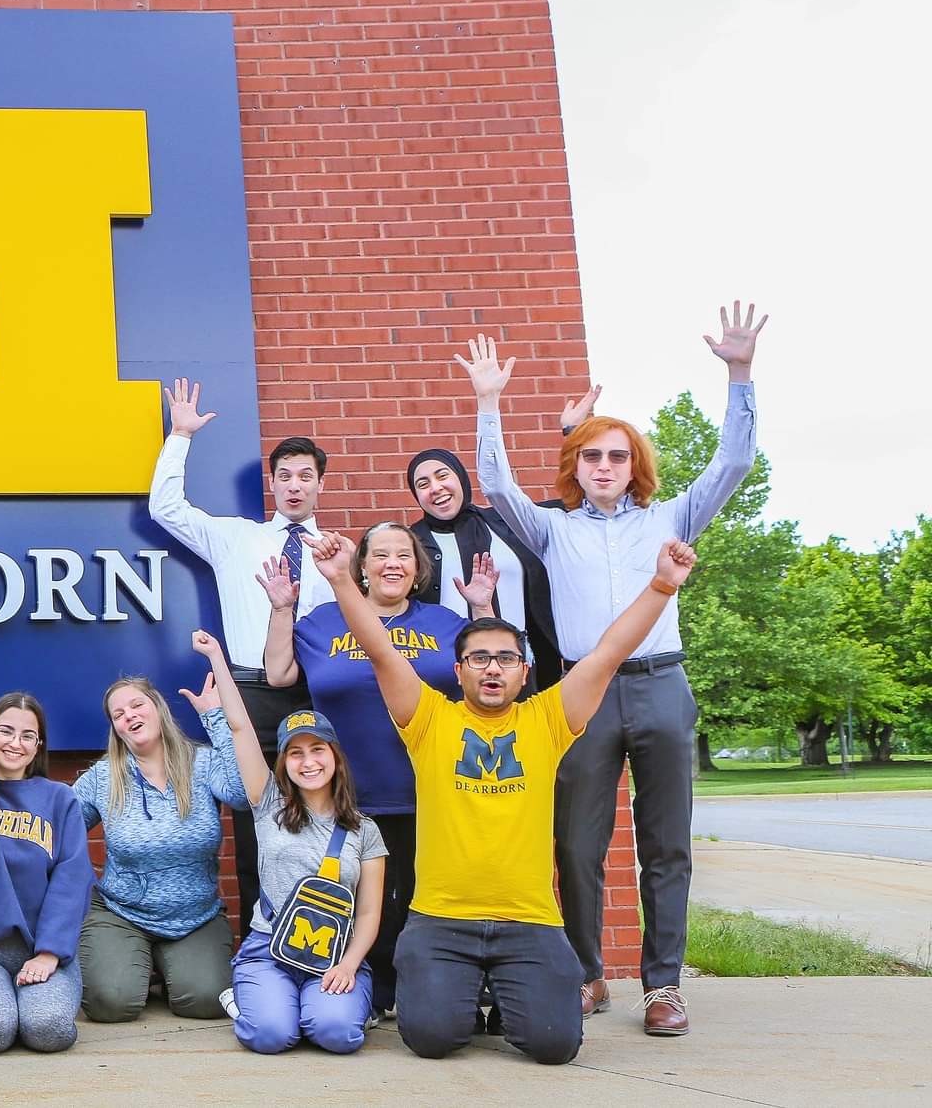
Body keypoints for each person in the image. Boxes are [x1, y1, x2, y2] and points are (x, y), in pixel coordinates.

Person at [460, 302, 764, 1035]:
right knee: (576, 842)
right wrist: (490, 402)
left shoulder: (671, 519)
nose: (604, 466)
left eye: (617, 456)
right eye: (592, 456)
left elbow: (734, 463)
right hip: (580, 692)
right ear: (576, 466)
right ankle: (589, 973)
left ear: (636, 467)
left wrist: (740, 374)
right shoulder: (551, 527)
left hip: (662, 684)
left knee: (666, 841)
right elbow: (497, 484)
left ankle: (663, 985)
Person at [308, 528, 696, 1064]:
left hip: (528, 921)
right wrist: (338, 580)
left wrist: (660, 586)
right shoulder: (428, 720)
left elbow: (609, 654)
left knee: (556, 1046)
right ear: (458, 670)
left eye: (506, 659)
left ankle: (505, 996)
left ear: (524, 670)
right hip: (442, 921)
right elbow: (378, 647)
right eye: (479, 658)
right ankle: (469, 995)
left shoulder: (549, 719)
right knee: (432, 1039)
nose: (493, 667)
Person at [260, 522, 493, 1017]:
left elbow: (488, 678)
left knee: (422, 896)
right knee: (363, 901)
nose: (392, 564)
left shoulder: (446, 624)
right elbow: (279, 674)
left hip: (426, 791)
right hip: (347, 800)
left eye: (404, 556)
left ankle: (430, 996)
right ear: (360, 567)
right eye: (381, 555)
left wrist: (482, 608)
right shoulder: (323, 621)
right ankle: (370, 992)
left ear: (417, 569)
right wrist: (282, 610)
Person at [149, 377, 332, 928]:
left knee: (324, 811)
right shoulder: (237, 538)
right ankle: (263, 942)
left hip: (317, 693)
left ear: (321, 484)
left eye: (305, 476)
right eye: (285, 477)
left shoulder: (339, 554)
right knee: (256, 818)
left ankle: (325, 937)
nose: (294, 486)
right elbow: (166, 508)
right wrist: (180, 435)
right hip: (251, 694)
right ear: (272, 484)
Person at [207, 624, 384, 1053]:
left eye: (317, 749)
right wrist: (217, 657)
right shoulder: (267, 804)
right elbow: (240, 729)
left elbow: (367, 914)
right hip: (269, 949)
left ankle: (322, 1005)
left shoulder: (364, 829)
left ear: (334, 756)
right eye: (296, 753)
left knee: (336, 1034)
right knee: (272, 1035)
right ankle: (256, 1000)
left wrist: (350, 964)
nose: (308, 762)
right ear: (284, 763)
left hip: (334, 953)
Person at [70, 656, 258, 1023]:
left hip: (195, 917)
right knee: (111, 1004)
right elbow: (59, 826)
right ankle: (129, 963)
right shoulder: (104, 776)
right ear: (116, 729)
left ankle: (162, 967)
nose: (129, 715)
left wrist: (216, 718)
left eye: (137, 704)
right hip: (121, 914)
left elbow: (241, 793)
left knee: (205, 1002)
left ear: (157, 708)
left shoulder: (201, 764)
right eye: (118, 713)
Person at [0, 692, 95, 1054]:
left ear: (38, 746)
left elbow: (72, 877)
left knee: (47, 1030)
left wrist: (50, 953)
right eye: (5, 732)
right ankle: (0, 1006)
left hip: (42, 951)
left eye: (28, 736)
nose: (15, 743)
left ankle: (28, 1006)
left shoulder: (60, 798)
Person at [406, 449, 565, 692]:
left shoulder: (508, 521)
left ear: (460, 477)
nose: (435, 488)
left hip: (523, 667)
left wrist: (571, 431)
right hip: (448, 674)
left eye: (442, 476)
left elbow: (581, 500)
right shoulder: (411, 542)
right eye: (423, 484)